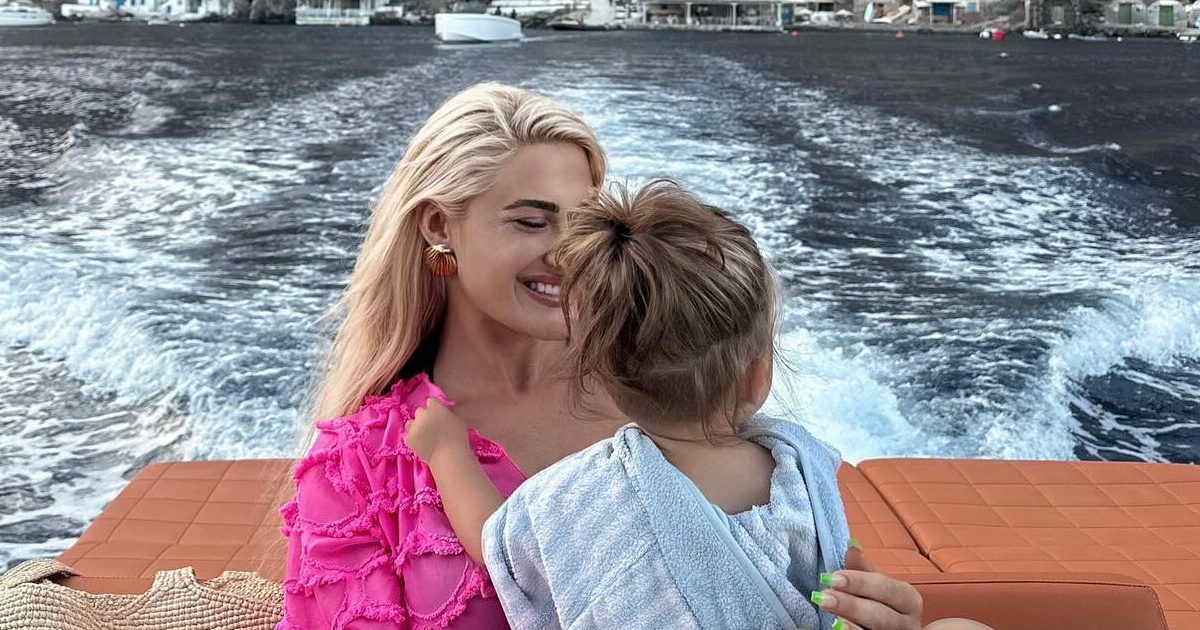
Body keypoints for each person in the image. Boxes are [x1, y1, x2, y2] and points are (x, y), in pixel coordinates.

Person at [277, 82, 969, 630]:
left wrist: (876, 617)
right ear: (438, 225)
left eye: (585, 223)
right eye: (531, 220)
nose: (568, 253)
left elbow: (786, 579)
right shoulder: (361, 463)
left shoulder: (663, 375)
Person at [406, 181, 993, 630]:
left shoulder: (578, 497)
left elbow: (494, 542)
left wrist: (446, 450)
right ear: (758, 376)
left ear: (599, 375)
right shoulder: (801, 466)